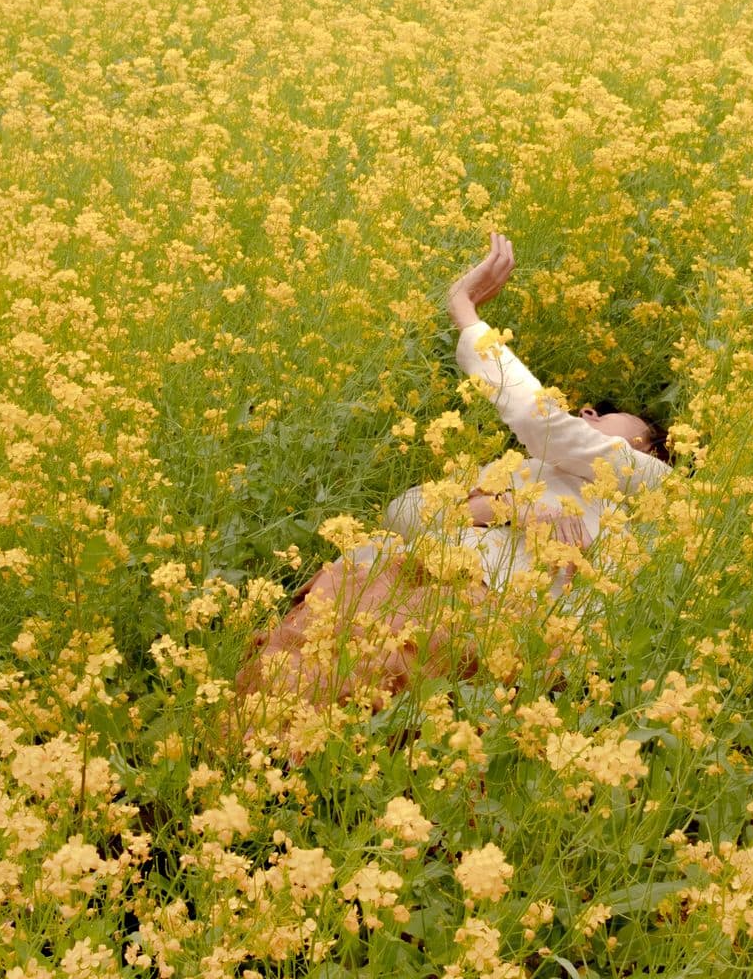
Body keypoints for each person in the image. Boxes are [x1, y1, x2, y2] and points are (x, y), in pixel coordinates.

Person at [229, 232, 672, 737]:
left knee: (375, 673)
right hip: (416, 576)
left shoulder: (647, 488)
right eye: (632, 436)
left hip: (498, 614)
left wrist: (464, 310)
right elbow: (405, 512)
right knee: (304, 651)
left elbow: (544, 421)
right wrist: (510, 508)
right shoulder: (516, 471)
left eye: (644, 447)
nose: (635, 450)